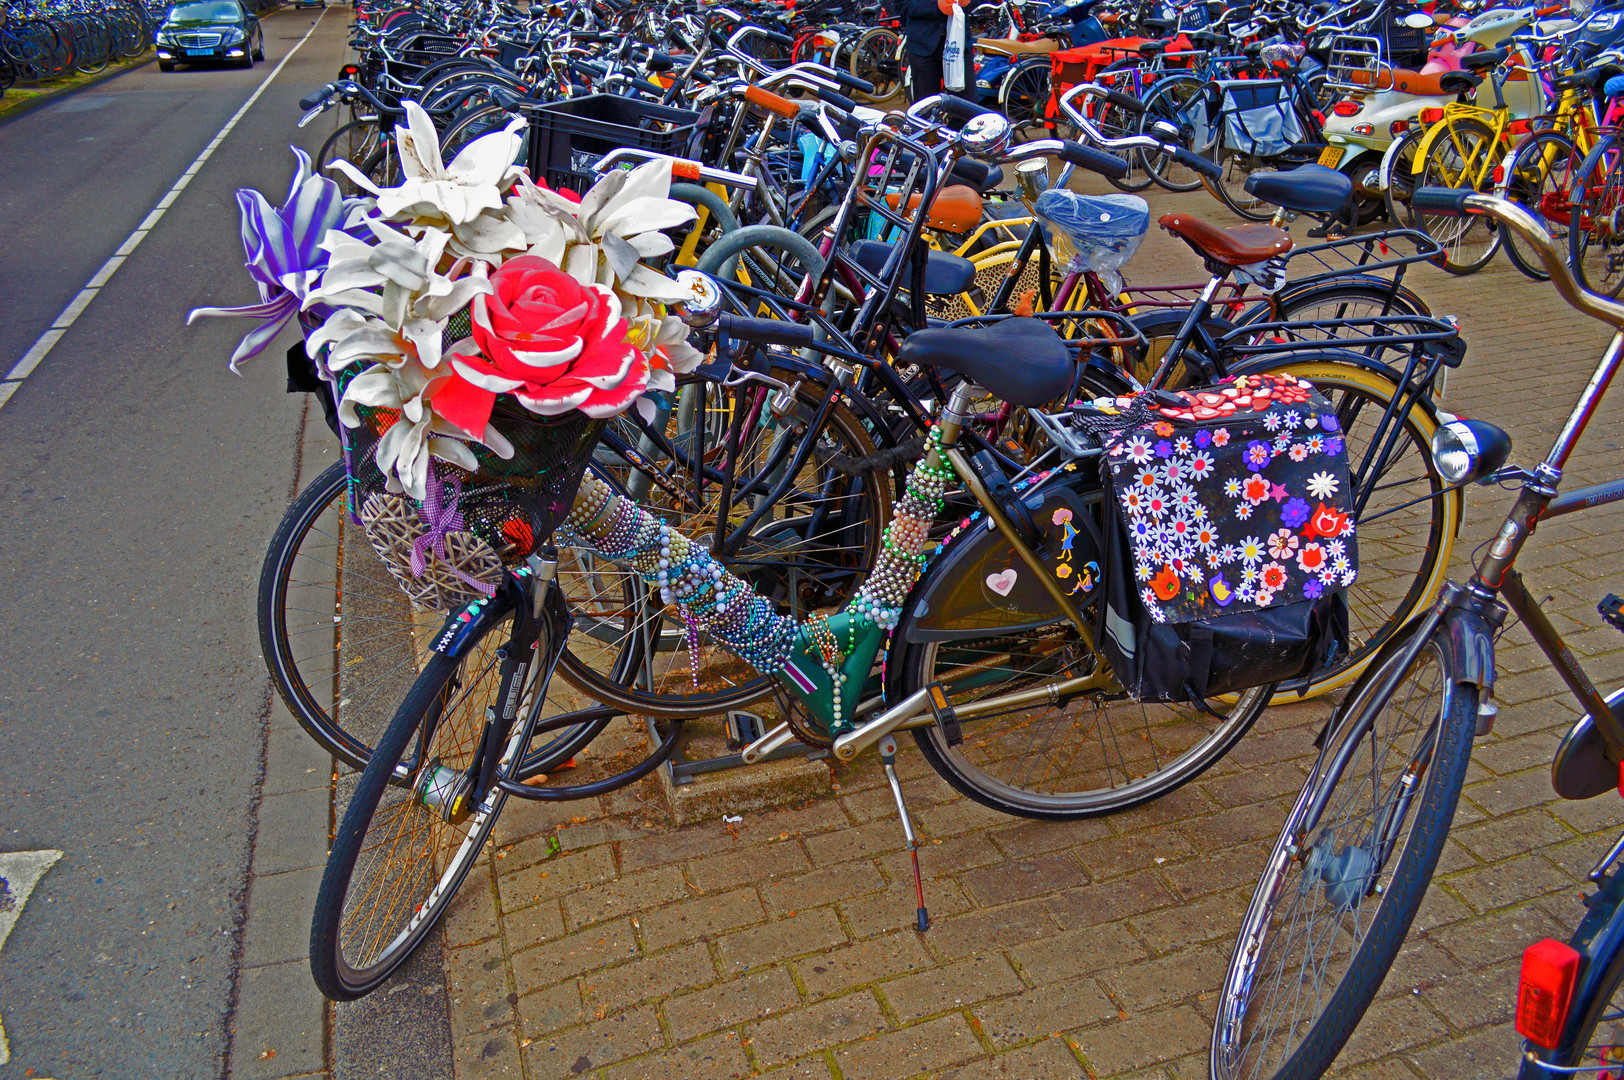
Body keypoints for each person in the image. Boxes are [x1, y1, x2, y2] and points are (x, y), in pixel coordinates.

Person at [896, 0, 972, 101]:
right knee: (927, 109)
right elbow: (902, 5)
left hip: (959, 46)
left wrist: (968, 2)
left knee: (967, 110)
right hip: (923, 47)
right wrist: (936, 6)